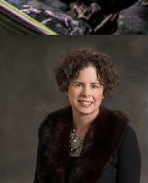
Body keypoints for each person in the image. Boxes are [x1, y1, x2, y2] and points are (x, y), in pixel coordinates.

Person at [33, 49, 141, 183]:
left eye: (94, 86)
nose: (86, 93)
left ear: (104, 92)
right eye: (78, 84)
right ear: (67, 88)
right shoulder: (50, 130)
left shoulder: (123, 136)